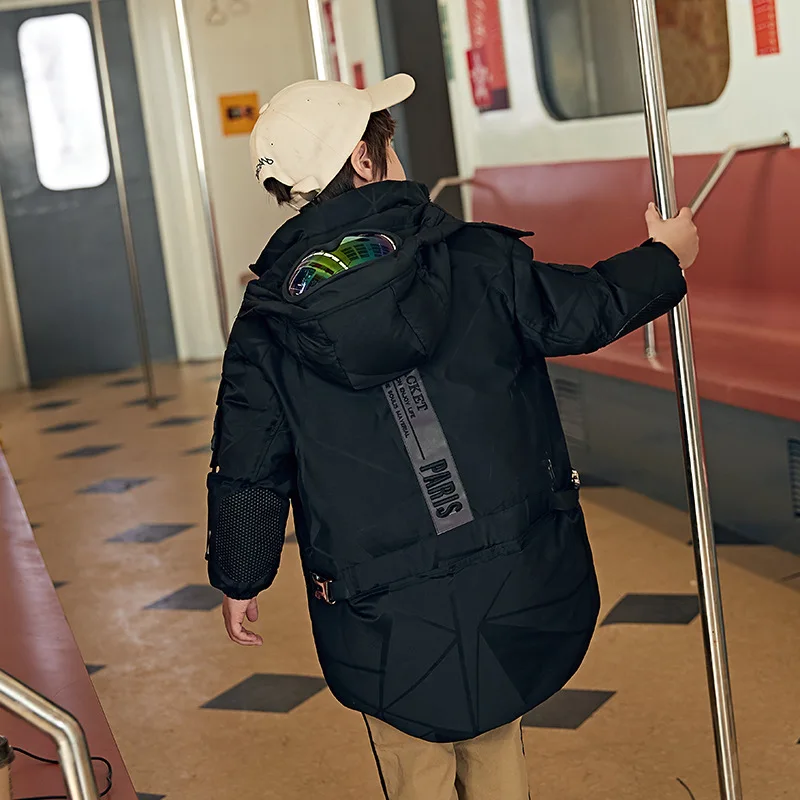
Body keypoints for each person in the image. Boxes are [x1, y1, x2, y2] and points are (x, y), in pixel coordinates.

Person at [206, 73, 698, 799]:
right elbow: (582, 311)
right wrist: (666, 256)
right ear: (364, 159)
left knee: (412, 754)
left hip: (378, 597)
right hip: (502, 560)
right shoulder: (472, 259)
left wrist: (242, 574)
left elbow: (249, 464)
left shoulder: (270, 323)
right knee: (495, 732)